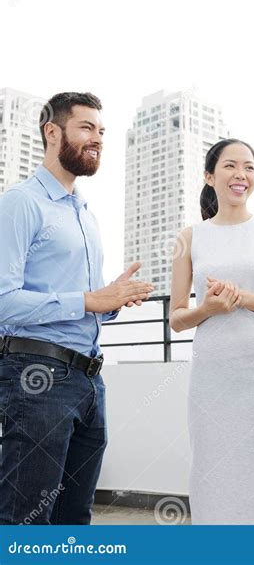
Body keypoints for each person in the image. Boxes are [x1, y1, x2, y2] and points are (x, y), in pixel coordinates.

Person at [0, 92, 153, 525]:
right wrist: (89, 299)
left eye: (102, 132)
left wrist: (111, 301)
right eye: (86, 128)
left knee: (74, 519)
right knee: (25, 518)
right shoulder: (21, 203)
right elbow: (3, 301)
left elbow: (85, 304)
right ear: (53, 132)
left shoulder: (86, 215)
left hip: (89, 379)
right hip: (37, 376)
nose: (97, 139)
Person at [170, 139, 254, 524]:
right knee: (214, 473)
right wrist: (208, 309)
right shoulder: (189, 238)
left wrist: (243, 297)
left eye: (249, 167)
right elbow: (177, 318)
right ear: (210, 176)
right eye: (230, 166)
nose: (240, 175)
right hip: (213, 374)